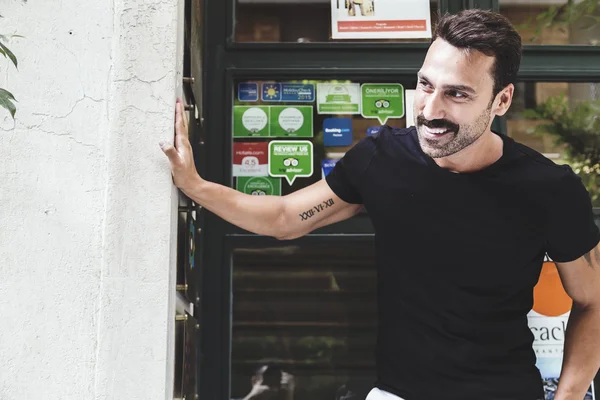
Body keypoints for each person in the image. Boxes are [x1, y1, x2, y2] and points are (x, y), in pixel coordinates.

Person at [161, 9, 600, 400]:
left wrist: (569, 396)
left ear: (501, 100)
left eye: (457, 94)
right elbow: (284, 218)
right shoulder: (383, 158)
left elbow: (593, 301)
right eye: (425, 85)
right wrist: (196, 185)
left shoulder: (548, 188)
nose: (430, 109)